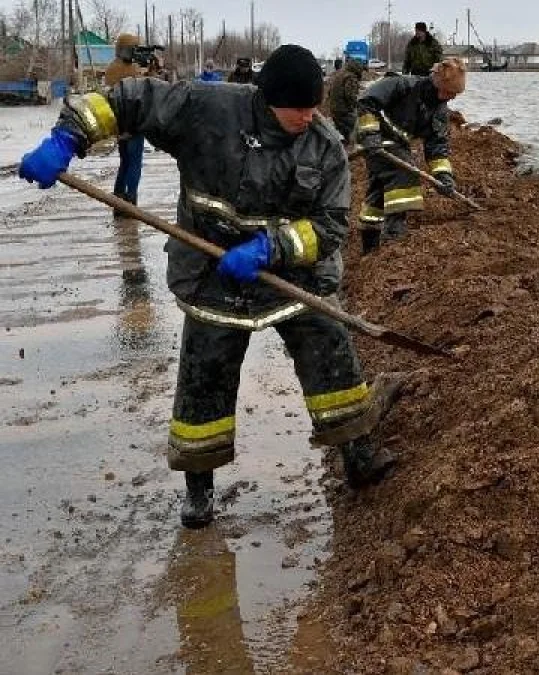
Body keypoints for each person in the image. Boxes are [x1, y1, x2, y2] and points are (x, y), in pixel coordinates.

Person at [18, 44, 401, 529]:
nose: (308, 116)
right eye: (298, 108)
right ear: (267, 100)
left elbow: (330, 226)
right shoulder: (206, 108)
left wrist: (272, 249)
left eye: (313, 106)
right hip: (210, 270)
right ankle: (199, 491)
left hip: (290, 276)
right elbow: (128, 99)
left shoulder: (323, 144)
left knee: (333, 360)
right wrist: (66, 140)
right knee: (204, 381)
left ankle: (360, 458)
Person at [355, 57, 465, 252]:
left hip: (397, 144)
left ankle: (369, 244)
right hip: (375, 139)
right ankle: (394, 238)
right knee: (405, 175)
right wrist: (370, 134)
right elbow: (366, 101)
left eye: (455, 94)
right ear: (437, 82)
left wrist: (443, 176)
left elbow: (437, 146)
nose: (452, 97)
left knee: (380, 190)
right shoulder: (402, 85)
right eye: (450, 92)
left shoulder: (439, 111)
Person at [105, 33, 145, 208]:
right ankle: (131, 200)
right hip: (134, 124)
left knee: (125, 162)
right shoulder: (132, 70)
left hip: (119, 124)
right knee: (134, 163)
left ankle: (118, 199)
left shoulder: (111, 68)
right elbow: (145, 91)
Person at [325, 54, 366, 144]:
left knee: (345, 132)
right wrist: (358, 107)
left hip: (335, 110)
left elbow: (330, 92)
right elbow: (350, 96)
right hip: (343, 111)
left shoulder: (341, 74)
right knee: (362, 125)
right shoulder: (351, 77)